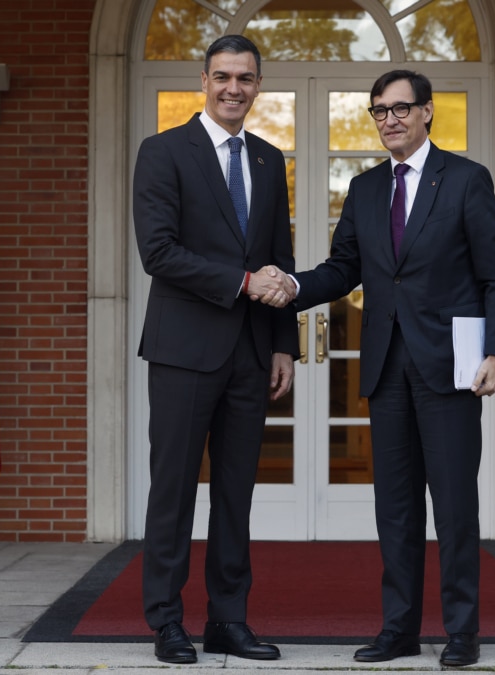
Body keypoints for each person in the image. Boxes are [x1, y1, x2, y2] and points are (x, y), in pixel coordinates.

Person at [287, 70, 495, 667]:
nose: (389, 119)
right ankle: (400, 631)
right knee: (395, 509)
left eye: (399, 109)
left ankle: (462, 631)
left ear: (426, 113)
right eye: (378, 111)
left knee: (454, 506)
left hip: (451, 369)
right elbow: (345, 270)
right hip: (386, 368)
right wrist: (290, 286)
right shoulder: (364, 189)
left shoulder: (466, 180)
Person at [132, 34, 298, 665]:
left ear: (258, 85)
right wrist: (241, 283)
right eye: (223, 76)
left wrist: (283, 344)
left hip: (252, 354)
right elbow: (160, 253)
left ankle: (228, 618)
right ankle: (166, 621)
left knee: (236, 491)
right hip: (183, 350)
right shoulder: (163, 152)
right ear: (203, 79)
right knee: (172, 489)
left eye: (246, 78)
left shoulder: (267, 159)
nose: (235, 88)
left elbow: (278, 257)